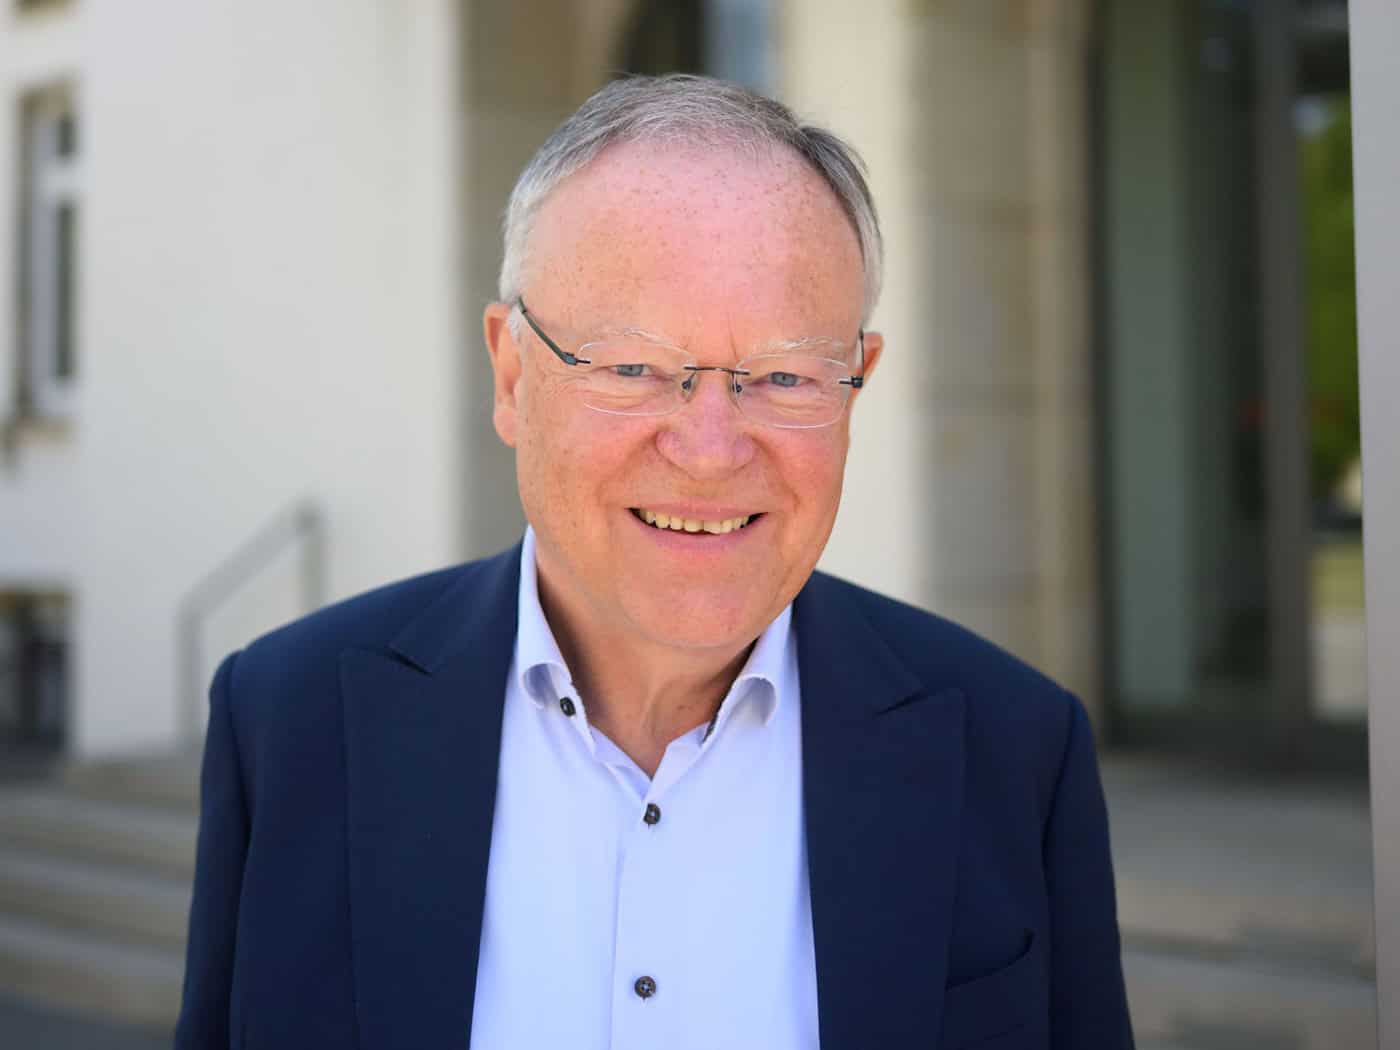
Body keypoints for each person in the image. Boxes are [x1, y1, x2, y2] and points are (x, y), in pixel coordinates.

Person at [175, 74, 1134, 1050]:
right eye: (631, 367)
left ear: (855, 386)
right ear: (511, 376)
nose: (710, 449)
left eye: (784, 376)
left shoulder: (1015, 751)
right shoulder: (289, 723)